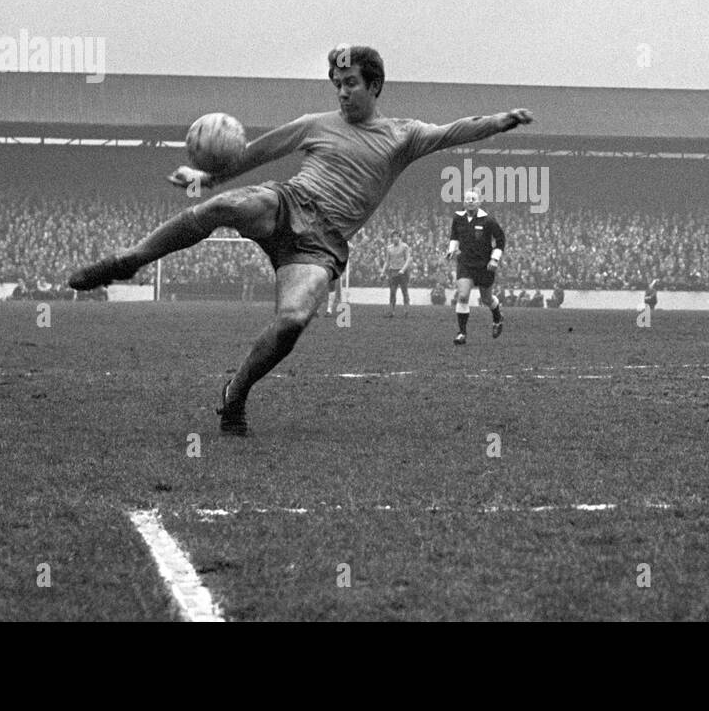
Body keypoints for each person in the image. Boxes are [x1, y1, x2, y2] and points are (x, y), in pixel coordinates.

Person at [68, 45, 533, 434]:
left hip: (321, 245)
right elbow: (256, 153)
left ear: (374, 86)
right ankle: (132, 259)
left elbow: (456, 130)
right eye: (337, 83)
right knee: (226, 207)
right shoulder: (316, 123)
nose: (342, 90)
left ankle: (236, 393)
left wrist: (502, 120)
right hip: (289, 203)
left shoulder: (402, 136)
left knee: (292, 321)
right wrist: (207, 177)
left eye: (350, 82)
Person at [448, 189, 507, 345]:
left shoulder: (488, 220)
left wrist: (495, 259)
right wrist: (451, 249)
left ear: (479, 202)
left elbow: (500, 240)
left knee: (486, 298)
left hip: (484, 265)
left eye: (474, 199)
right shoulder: (458, 218)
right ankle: (462, 333)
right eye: (468, 199)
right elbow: (454, 236)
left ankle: (497, 316)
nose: (471, 202)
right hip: (465, 263)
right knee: (462, 296)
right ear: (464, 202)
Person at [381, 229, 412, 317]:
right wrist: (382, 272)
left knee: (404, 291)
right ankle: (391, 311)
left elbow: (408, 260)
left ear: (399, 237)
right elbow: (387, 261)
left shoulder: (405, 247)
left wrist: (403, 270)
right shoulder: (389, 248)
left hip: (403, 272)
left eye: (396, 236)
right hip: (393, 272)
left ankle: (406, 311)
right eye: (393, 236)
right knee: (392, 292)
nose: (395, 238)